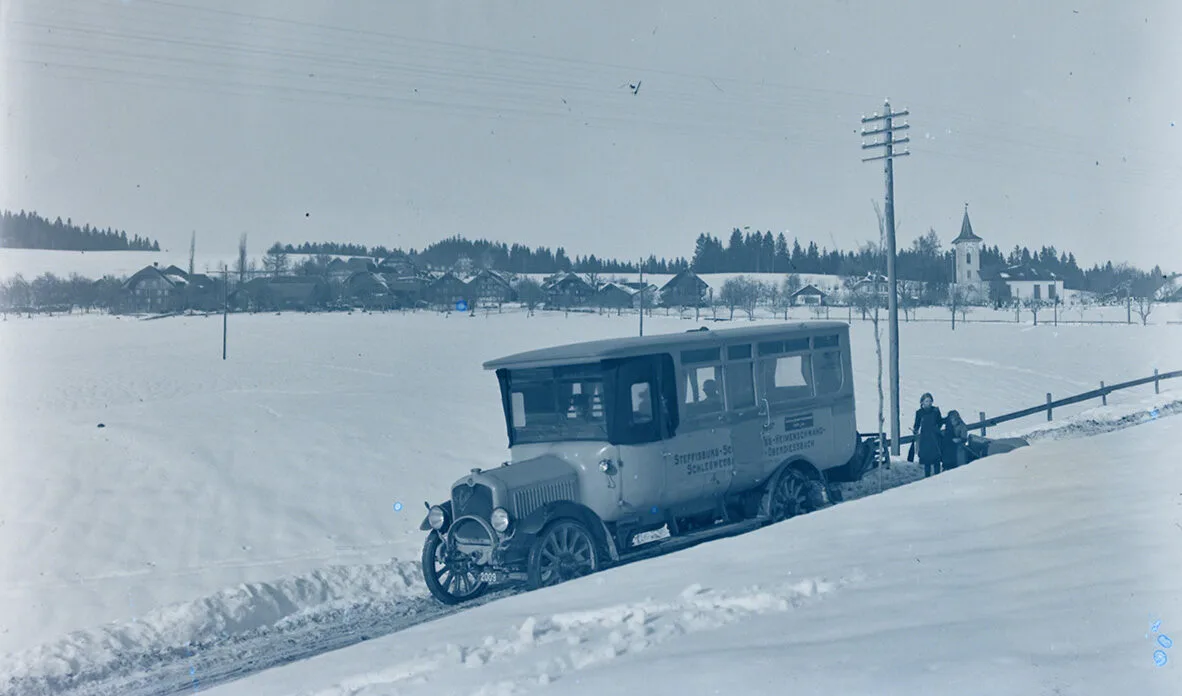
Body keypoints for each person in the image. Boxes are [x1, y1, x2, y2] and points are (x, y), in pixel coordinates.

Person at [911, 392, 944, 477]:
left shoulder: (935, 411)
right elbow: (917, 424)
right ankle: (927, 477)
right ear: (922, 402)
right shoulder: (919, 412)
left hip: (935, 437)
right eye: (926, 401)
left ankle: (938, 475)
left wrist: (936, 428)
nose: (928, 403)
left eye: (930, 401)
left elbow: (940, 422)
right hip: (925, 438)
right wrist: (915, 430)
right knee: (927, 459)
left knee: (936, 457)